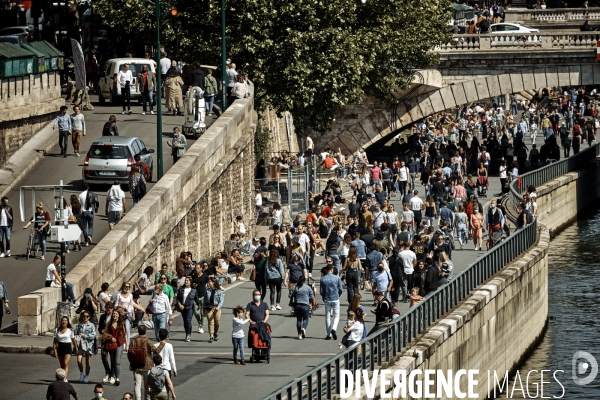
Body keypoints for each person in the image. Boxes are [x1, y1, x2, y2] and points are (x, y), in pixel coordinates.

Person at [128, 325, 154, 400]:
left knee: (137, 384)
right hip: (147, 365)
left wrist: (131, 361)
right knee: (147, 384)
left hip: (136, 365)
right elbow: (155, 350)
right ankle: (147, 398)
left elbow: (129, 353)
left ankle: (138, 398)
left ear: (138, 331)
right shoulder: (148, 341)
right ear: (145, 331)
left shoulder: (133, 341)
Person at [320, 264, 343, 340]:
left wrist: (323, 296)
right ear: (332, 269)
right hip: (335, 297)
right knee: (337, 315)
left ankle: (328, 334)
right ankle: (334, 328)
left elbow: (321, 291)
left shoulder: (323, 279)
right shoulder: (337, 278)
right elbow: (340, 289)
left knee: (327, 316)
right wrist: (338, 295)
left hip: (327, 298)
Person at [104, 309, 126, 386]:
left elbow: (125, 334)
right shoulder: (109, 323)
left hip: (119, 344)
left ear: (119, 315)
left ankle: (117, 378)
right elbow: (104, 333)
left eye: (116, 314)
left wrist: (127, 344)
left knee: (117, 361)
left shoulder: (121, 323)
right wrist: (110, 337)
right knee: (113, 361)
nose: (115, 315)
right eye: (114, 314)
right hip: (112, 344)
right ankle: (112, 376)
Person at [175, 277, 200, 342]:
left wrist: (199, 305)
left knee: (188, 320)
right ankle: (187, 332)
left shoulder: (193, 290)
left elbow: (196, 298)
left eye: (188, 280)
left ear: (190, 282)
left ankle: (188, 335)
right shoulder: (181, 289)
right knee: (185, 322)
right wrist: (180, 305)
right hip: (182, 307)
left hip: (190, 307)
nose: (186, 281)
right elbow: (177, 298)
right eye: (185, 280)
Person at [53, 316, 78, 381]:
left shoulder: (70, 330)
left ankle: (65, 378)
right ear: (61, 322)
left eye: (65, 320)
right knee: (62, 364)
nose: (64, 322)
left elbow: (73, 340)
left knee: (65, 363)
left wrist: (76, 348)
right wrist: (54, 350)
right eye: (63, 320)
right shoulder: (57, 330)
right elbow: (55, 341)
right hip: (60, 347)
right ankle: (61, 377)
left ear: (67, 322)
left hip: (67, 347)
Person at [289, 275, 314, 339]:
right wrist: (309, 302)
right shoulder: (308, 288)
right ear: (304, 280)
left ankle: (299, 334)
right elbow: (312, 297)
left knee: (299, 320)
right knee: (306, 319)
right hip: (305, 305)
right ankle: (303, 329)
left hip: (297, 305)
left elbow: (290, 295)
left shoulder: (295, 287)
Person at [74, 311, 96, 383]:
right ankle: (81, 373)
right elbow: (75, 334)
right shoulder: (79, 325)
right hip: (80, 344)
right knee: (79, 360)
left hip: (89, 345)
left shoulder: (91, 325)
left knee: (87, 362)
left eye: (87, 316)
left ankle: (86, 376)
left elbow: (93, 335)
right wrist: (77, 337)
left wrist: (85, 336)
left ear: (89, 317)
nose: (85, 318)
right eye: (84, 316)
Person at [204, 277, 224, 343]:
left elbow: (221, 300)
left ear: (213, 282)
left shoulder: (219, 291)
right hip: (209, 308)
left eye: (210, 281)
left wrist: (218, 307)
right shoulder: (207, 291)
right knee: (211, 322)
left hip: (216, 307)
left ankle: (215, 333)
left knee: (217, 322)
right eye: (208, 281)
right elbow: (204, 301)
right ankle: (211, 336)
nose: (209, 283)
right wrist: (203, 310)